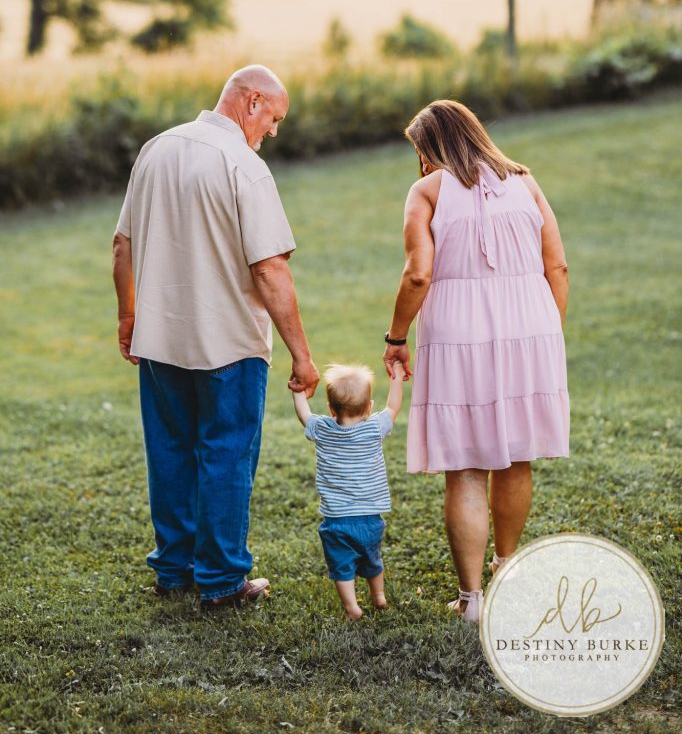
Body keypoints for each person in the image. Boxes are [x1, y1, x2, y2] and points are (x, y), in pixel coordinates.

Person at [112, 65, 319, 611]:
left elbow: (121, 245)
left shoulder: (155, 149)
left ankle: (174, 569)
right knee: (226, 453)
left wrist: (127, 317)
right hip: (228, 342)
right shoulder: (242, 166)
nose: (274, 130)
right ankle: (224, 581)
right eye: (274, 117)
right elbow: (271, 269)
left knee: (171, 451)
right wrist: (302, 354)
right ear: (251, 102)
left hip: (160, 338)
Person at [383, 99, 569, 623]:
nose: (419, 163)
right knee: (516, 456)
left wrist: (396, 336)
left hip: (458, 333)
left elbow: (418, 274)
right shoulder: (525, 181)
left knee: (465, 467)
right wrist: (546, 332)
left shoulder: (428, 191)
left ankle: (472, 602)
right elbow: (557, 263)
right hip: (530, 330)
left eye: (420, 151)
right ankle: (506, 571)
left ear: (431, 149)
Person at [292, 362, 404, 620]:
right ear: (369, 408)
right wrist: (396, 379)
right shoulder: (374, 428)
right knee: (372, 559)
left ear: (331, 408)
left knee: (342, 566)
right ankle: (379, 597)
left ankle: (352, 607)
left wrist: (298, 390)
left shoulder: (322, 429)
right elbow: (394, 407)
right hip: (370, 519)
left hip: (337, 521)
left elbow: (304, 414)